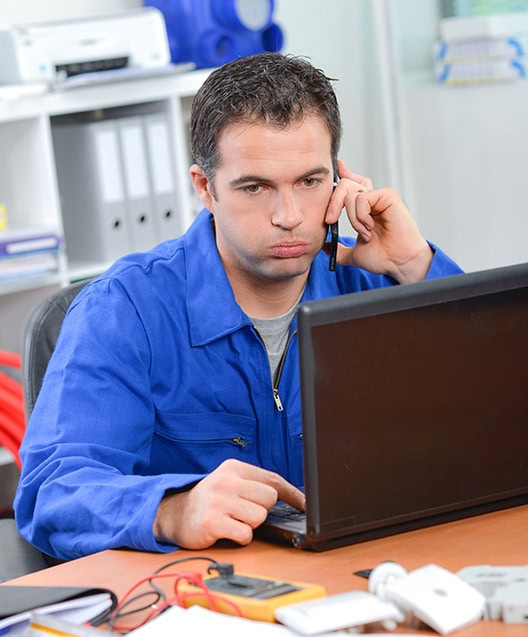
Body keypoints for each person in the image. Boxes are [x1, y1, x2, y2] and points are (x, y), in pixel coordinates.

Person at [14, 53, 462, 561]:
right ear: (205, 188)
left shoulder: (378, 281)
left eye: (309, 182)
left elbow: (496, 417)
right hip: (204, 597)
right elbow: (53, 492)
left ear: (338, 180)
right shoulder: (124, 310)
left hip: (368, 574)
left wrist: (416, 266)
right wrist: (171, 510)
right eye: (255, 187)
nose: (289, 216)